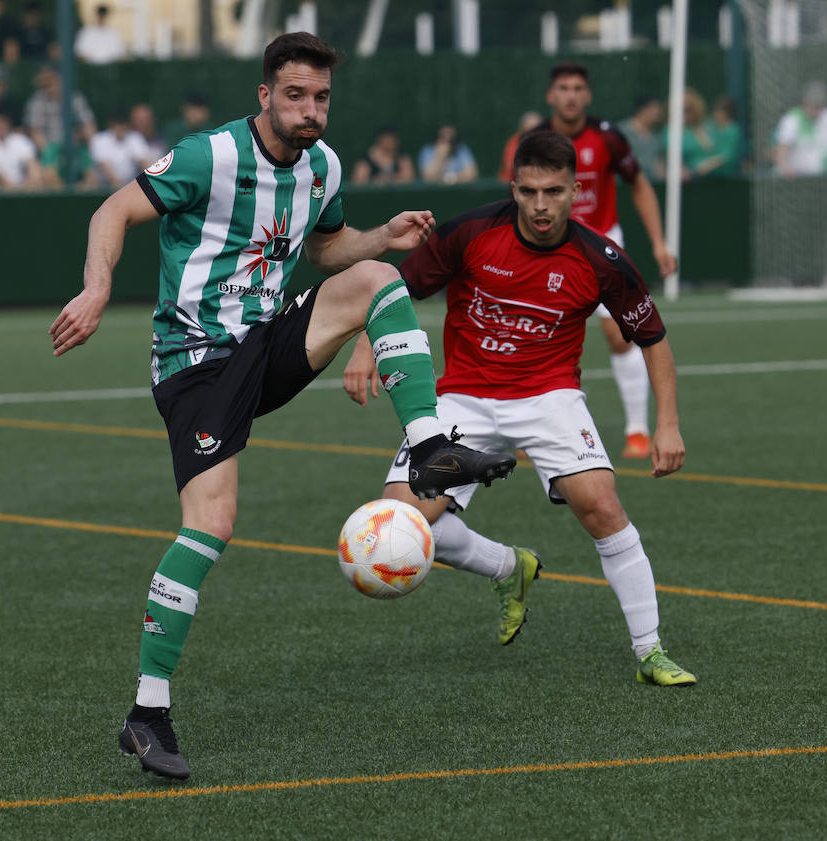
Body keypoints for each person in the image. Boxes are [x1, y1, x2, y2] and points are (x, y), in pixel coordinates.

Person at [47, 31, 517, 781]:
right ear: (264, 95)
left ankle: (429, 445)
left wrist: (380, 237)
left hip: (268, 338)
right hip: (198, 360)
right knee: (211, 525)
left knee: (375, 281)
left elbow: (329, 251)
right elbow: (112, 211)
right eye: (294, 95)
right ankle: (147, 711)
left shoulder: (323, 166)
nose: (309, 110)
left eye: (321, 97)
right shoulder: (210, 156)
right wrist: (98, 286)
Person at [342, 129, 696, 687]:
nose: (539, 205)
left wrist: (667, 425)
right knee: (397, 526)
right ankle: (509, 566)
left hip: (549, 395)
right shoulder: (473, 231)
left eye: (553, 192)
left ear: (574, 190)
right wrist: (366, 347)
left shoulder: (599, 257)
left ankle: (650, 651)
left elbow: (652, 339)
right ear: (513, 186)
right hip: (463, 396)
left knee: (601, 506)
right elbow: (393, 288)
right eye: (528, 191)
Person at [539, 61, 677, 461]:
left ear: (588, 95)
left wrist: (658, 243)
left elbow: (638, 184)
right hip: (547, 248)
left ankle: (637, 430)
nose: (571, 95)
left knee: (622, 335)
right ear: (551, 96)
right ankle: (527, 427)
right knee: (533, 334)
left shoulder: (608, 138)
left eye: (578, 87)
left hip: (600, 247)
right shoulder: (535, 139)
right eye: (563, 87)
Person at [774, 80, 827, 178]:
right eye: (813, 106)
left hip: (823, 180)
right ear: (804, 103)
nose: (816, 112)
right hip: (796, 180)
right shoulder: (792, 119)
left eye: (819, 106)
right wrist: (785, 167)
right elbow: (782, 149)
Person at [0, 109, 49, 191]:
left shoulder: (20, 140)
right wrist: (10, 186)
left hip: (21, 189)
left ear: (8, 122)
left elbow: (32, 164)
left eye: (2, 121)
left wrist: (33, 180)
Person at [88, 107, 148, 189]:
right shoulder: (99, 139)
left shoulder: (135, 138)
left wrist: (150, 183)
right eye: (118, 123)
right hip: (104, 188)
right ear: (112, 124)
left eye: (124, 123)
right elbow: (104, 166)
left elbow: (143, 162)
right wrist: (118, 184)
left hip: (130, 187)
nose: (121, 127)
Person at [617, 96, 664, 181]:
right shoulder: (621, 132)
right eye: (655, 107)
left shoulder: (656, 136)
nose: (658, 112)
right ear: (643, 110)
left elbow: (658, 162)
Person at [496, 110, 544, 183]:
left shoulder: (547, 143)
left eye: (536, 130)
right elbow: (510, 168)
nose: (532, 134)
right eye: (528, 130)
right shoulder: (514, 143)